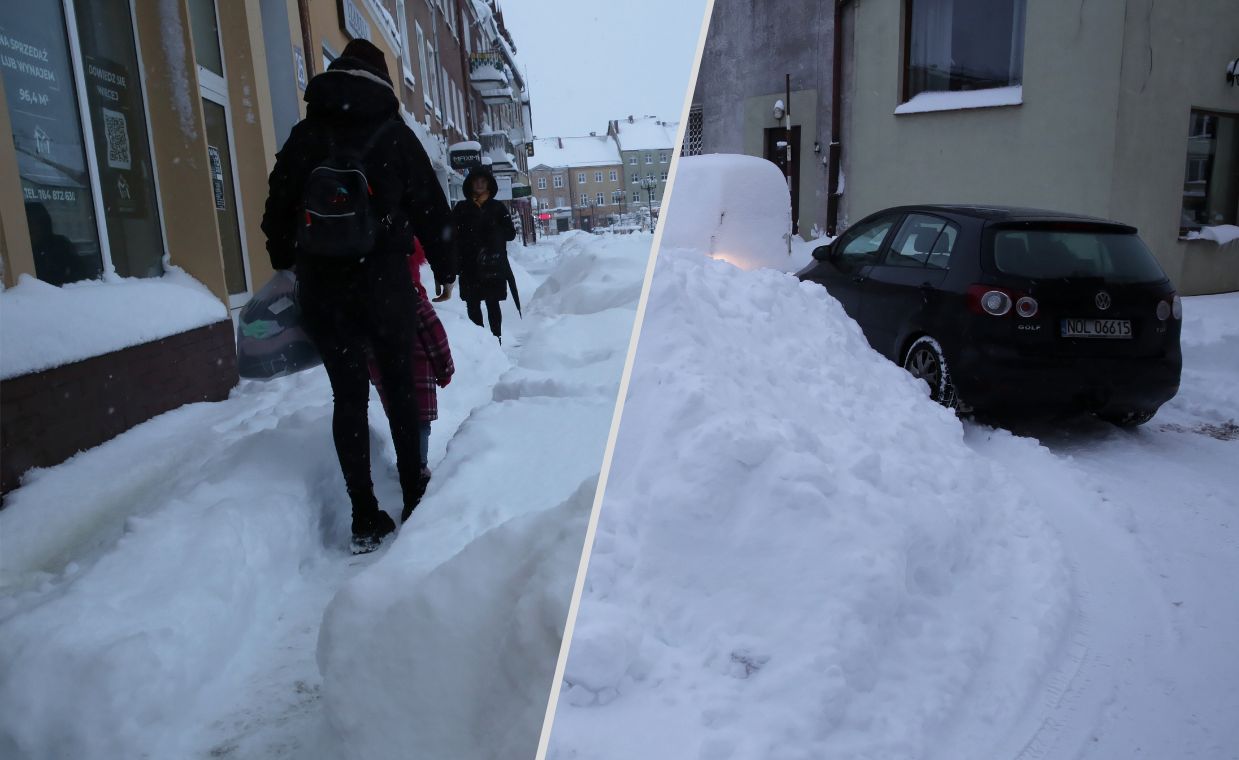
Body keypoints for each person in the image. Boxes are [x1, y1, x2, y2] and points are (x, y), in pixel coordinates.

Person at [260, 38, 456, 553]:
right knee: (399, 388)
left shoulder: (306, 135)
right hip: (384, 284)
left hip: (325, 290)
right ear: (381, 79)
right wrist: (446, 267)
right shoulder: (394, 134)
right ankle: (415, 493)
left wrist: (287, 258)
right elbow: (432, 207)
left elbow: (275, 209)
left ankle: (364, 514)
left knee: (348, 397)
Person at [367, 238, 454, 523]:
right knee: (420, 425)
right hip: (418, 373)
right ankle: (418, 467)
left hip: (388, 376)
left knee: (401, 422)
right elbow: (435, 335)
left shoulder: (372, 302)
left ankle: (412, 465)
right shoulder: (413, 297)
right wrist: (445, 367)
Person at [452, 167, 517, 342]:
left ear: (489, 184)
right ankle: (480, 342)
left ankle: (496, 339)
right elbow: (452, 235)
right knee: (472, 304)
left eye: (483, 181)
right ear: (470, 184)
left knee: (492, 303)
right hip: (469, 264)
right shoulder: (462, 208)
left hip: (492, 265)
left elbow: (510, 233)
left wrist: (494, 232)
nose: (480, 184)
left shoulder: (497, 207)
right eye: (476, 181)